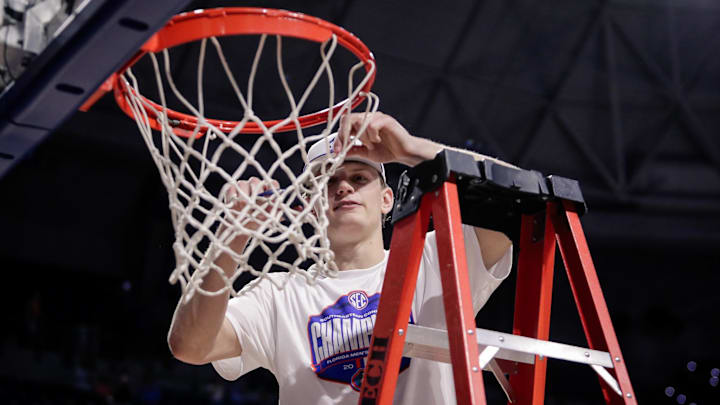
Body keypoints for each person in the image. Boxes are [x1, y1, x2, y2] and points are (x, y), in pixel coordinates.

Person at [167, 112, 514, 404]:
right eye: (329, 182)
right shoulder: (279, 294)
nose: (343, 187)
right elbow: (190, 345)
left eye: (359, 177)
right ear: (309, 210)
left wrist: (411, 150)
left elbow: (515, 201)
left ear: (387, 199)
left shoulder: (436, 259)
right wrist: (231, 237)